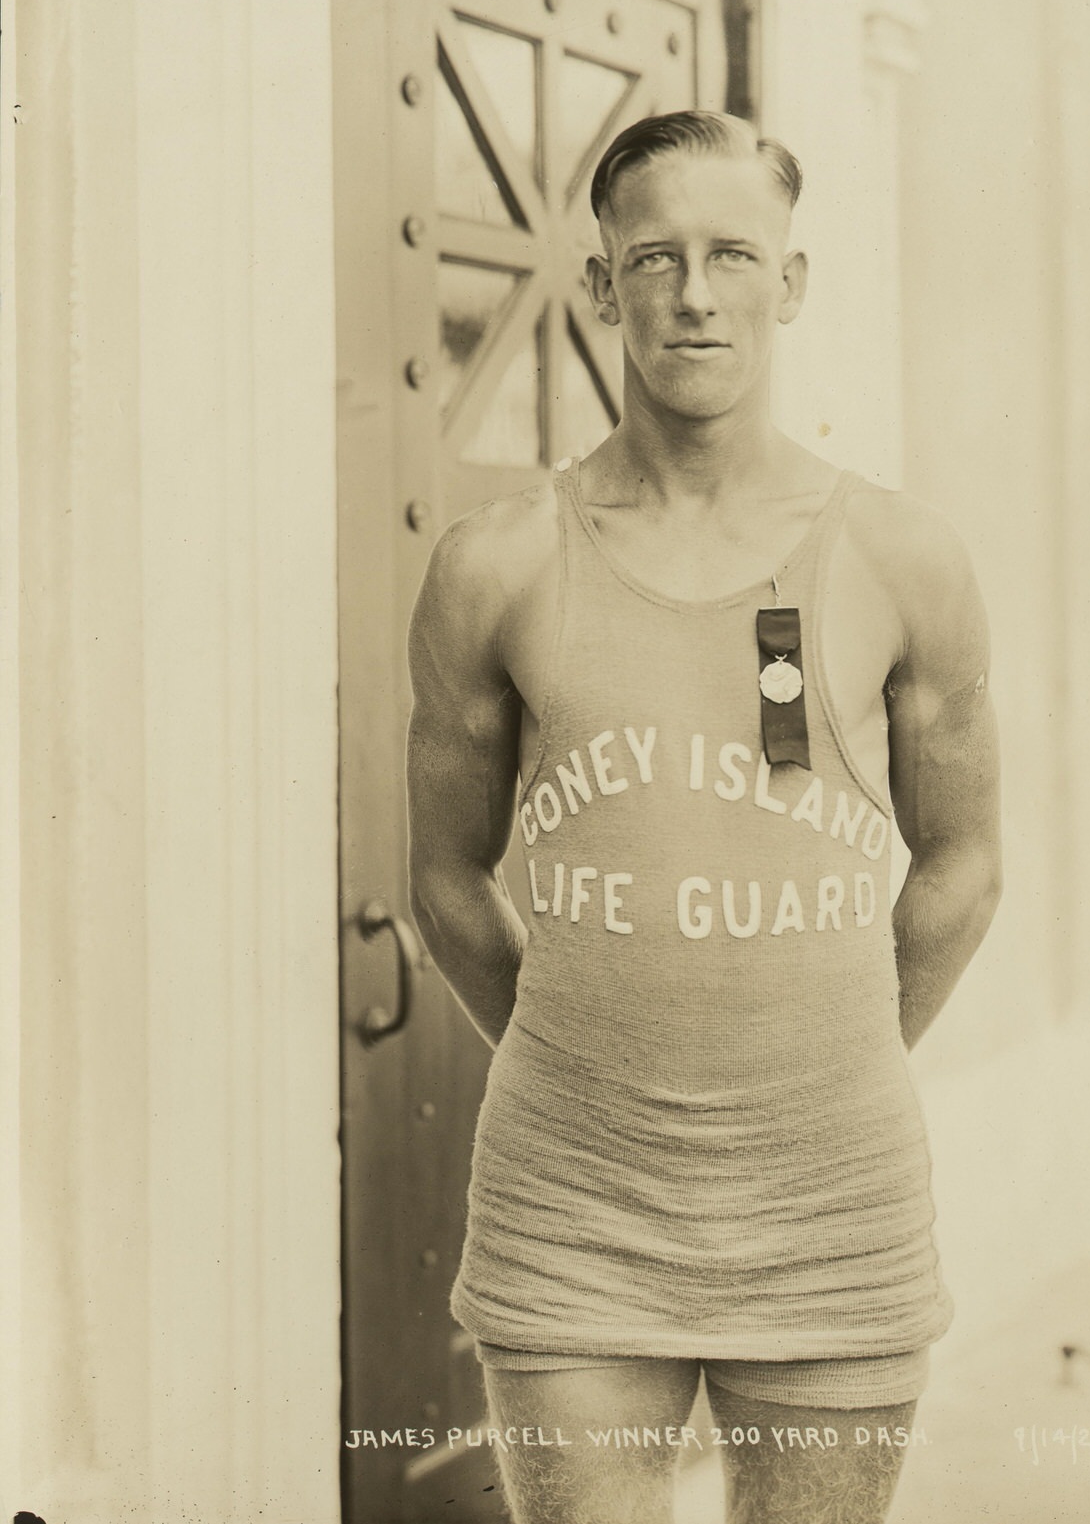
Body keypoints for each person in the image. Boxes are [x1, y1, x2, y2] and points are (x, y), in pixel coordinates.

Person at [406, 111, 1002, 1524]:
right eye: (655, 257)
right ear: (602, 287)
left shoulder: (899, 555)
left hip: (832, 1200)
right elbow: (444, 879)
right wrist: (586, 1050)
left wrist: (826, 1051)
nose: (695, 291)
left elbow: (965, 865)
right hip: (575, 1206)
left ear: (788, 282)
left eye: (734, 252)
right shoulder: (498, 564)